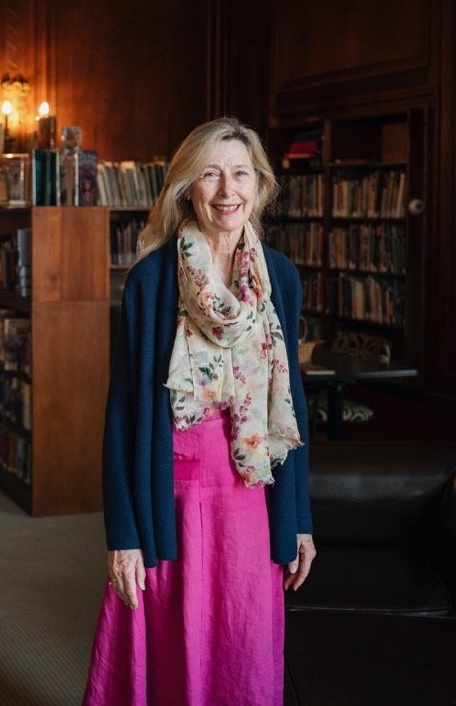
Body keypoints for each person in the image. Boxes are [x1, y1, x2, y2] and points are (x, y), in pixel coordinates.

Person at [83, 117, 315, 706]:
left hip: (252, 502)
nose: (226, 190)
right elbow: (124, 415)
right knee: (171, 655)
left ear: (259, 186)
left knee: (242, 652)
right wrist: (124, 535)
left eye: (240, 174)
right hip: (173, 505)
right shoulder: (151, 281)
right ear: (187, 186)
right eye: (210, 174)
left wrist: (301, 515)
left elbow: (288, 407)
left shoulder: (281, 280)